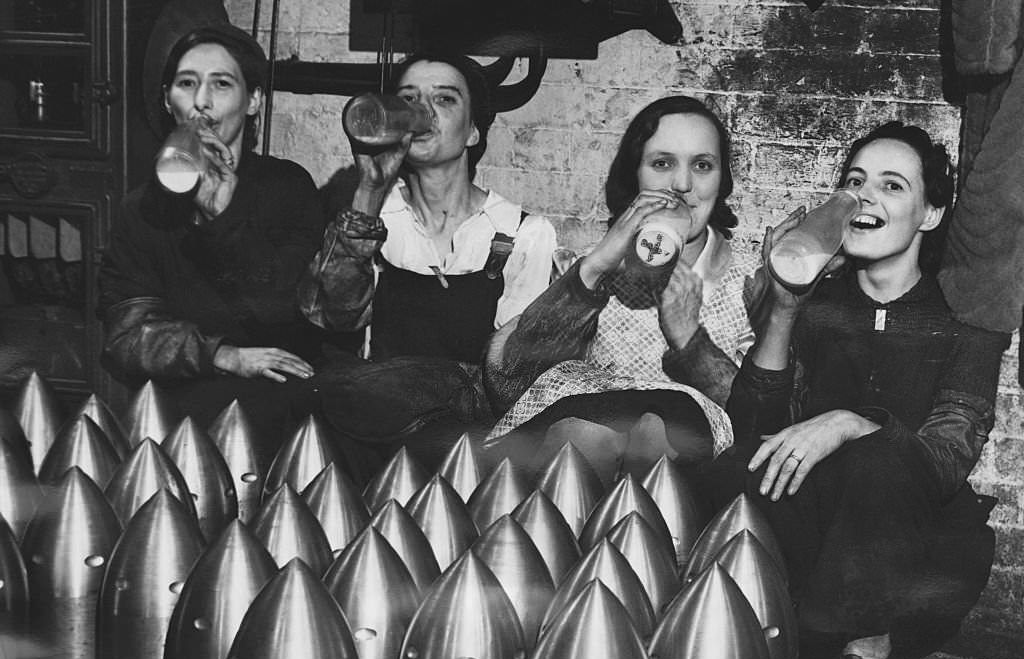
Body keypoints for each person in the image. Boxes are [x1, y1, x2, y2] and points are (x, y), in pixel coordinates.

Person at [716, 121, 1008, 659]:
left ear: (930, 214)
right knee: (729, 463)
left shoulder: (967, 319)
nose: (865, 197)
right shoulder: (821, 302)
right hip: (815, 524)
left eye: (892, 185)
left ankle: (868, 644)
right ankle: (791, 626)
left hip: (916, 541)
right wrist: (784, 308)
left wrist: (854, 422)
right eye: (855, 182)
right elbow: (756, 424)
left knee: (877, 456)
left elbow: (948, 453)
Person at [482, 95, 765, 482]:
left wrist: (691, 341)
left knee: (656, 436)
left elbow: (762, 419)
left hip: (685, 471)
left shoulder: (752, 280)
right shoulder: (589, 268)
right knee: (582, 436)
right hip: (576, 445)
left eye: (702, 165)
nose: (682, 185)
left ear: (722, 180)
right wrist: (598, 265)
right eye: (662, 164)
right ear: (635, 175)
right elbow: (508, 377)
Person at [296, 52, 557, 459]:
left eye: (445, 99)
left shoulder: (523, 233)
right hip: (374, 437)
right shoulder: (371, 217)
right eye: (409, 99)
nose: (422, 111)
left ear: (473, 131)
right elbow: (331, 317)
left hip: (468, 446)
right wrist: (369, 188)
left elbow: (514, 377)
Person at [99, 15, 325, 458]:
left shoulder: (288, 187)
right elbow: (126, 336)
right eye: (186, 84)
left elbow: (283, 308)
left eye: (221, 85)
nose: (201, 102)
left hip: (280, 401)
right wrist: (222, 355)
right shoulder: (142, 208)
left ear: (254, 101)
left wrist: (222, 215)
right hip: (184, 400)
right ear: (168, 101)